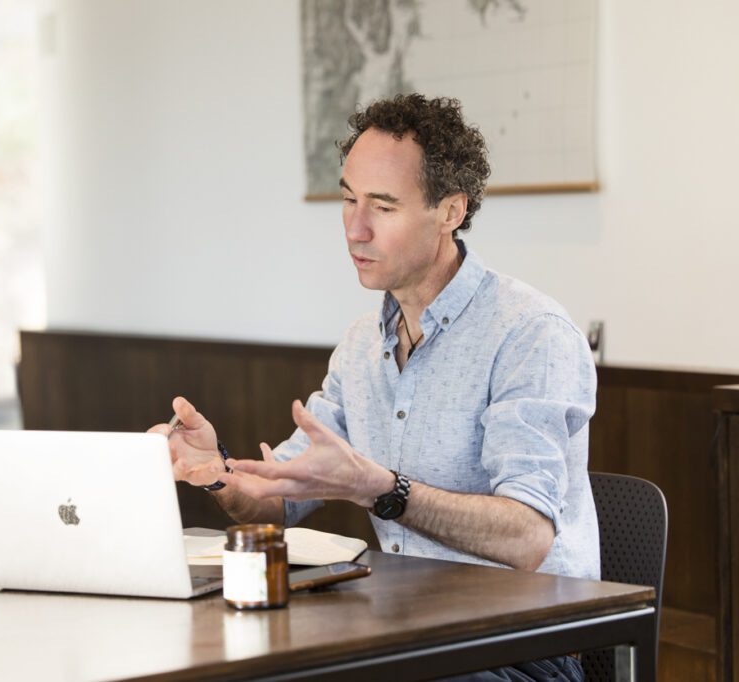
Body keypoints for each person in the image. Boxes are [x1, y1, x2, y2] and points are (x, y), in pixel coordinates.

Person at [149, 94, 596, 680]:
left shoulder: (529, 333)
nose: (354, 229)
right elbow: (281, 499)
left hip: (524, 646)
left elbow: (528, 537)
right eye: (347, 199)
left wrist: (382, 489)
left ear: (450, 211)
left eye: (382, 207)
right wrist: (219, 470)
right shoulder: (362, 344)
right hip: (404, 628)